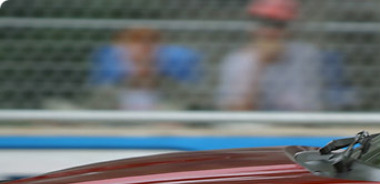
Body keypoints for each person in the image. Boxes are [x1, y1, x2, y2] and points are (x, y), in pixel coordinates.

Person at [217, 0, 353, 111]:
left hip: (296, 124)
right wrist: (260, 65)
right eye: (263, 22)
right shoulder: (238, 60)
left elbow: (307, 108)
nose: (269, 31)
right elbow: (238, 110)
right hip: (256, 126)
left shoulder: (306, 55)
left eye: (278, 24)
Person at [88, 27, 202, 110]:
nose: (146, 46)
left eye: (153, 41)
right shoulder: (105, 92)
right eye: (135, 41)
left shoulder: (176, 90)